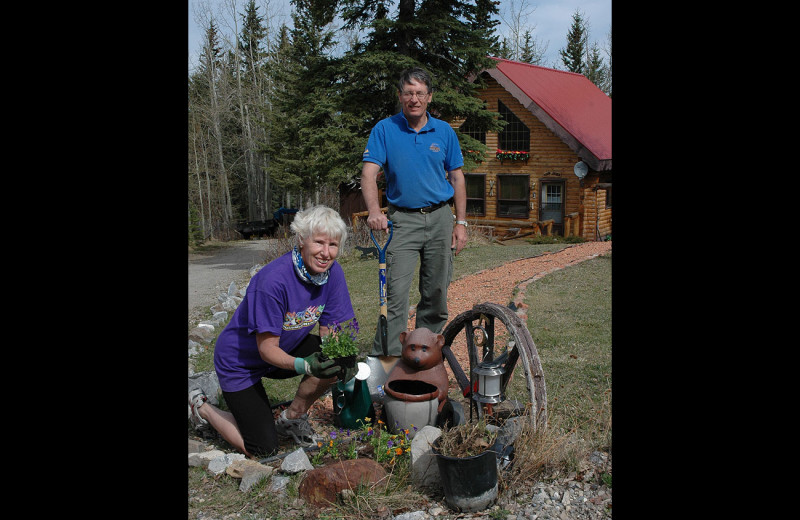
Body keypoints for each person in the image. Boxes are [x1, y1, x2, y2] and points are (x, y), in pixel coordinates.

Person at [188, 205, 357, 459]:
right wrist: (307, 366)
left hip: (285, 348)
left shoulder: (332, 274)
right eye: (319, 242)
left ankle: (292, 417)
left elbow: (329, 329)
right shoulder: (272, 281)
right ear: (302, 240)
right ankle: (202, 408)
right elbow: (266, 349)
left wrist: (341, 360)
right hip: (240, 361)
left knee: (332, 359)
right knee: (263, 449)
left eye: (333, 245)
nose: (325, 253)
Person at [360, 66, 468, 377]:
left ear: (429, 97)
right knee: (394, 296)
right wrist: (374, 211)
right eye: (408, 93)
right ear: (400, 96)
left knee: (435, 294)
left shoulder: (444, 132)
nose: (414, 99)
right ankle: (386, 368)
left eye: (420, 93)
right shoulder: (385, 129)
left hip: (439, 219)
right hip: (401, 223)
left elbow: (457, 178)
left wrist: (461, 223)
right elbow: (369, 174)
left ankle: (425, 361)